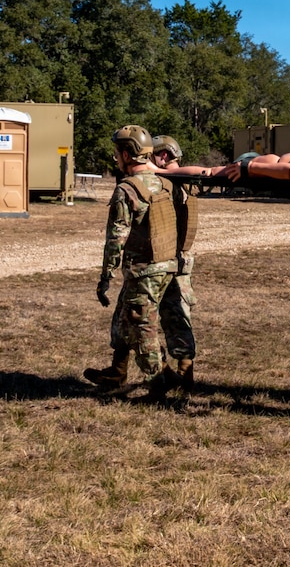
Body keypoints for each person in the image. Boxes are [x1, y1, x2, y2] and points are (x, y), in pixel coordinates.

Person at [84, 125, 179, 396]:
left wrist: (106, 276)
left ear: (128, 154)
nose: (115, 158)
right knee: (124, 318)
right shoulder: (164, 182)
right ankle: (118, 371)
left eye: (117, 153)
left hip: (144, 269)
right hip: (164, 265)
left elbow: (116, 239)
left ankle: (158, 382)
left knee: (141, 324)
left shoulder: (127, 189)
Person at [150, 135, 198, 394]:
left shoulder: (171, 183)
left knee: (172, 316)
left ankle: (178, 375)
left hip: (169, 259)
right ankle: (179, 375)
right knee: (175, 315)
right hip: (172, 259)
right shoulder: (184, 182)